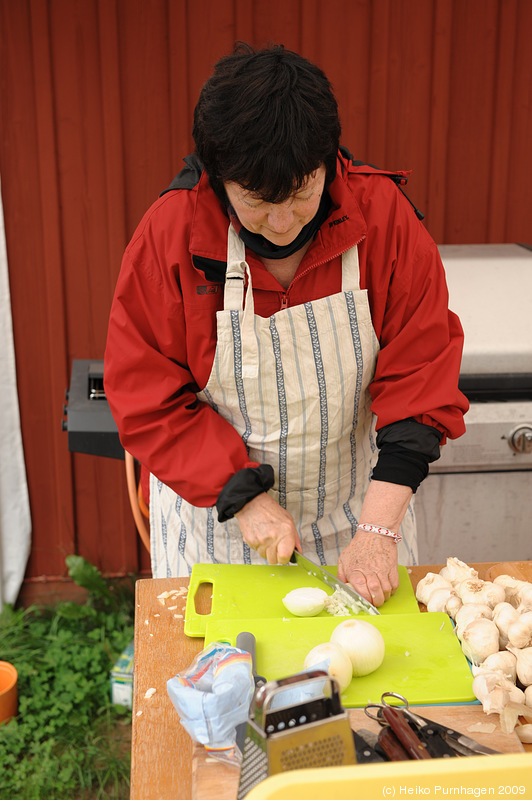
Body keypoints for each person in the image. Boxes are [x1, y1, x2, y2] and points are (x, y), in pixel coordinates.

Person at [104, 43, 468, 607]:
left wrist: (376, 530)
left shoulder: (384, 218)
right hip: (218, 528)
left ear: (329, 162)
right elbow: (146, 396)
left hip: (362, 520)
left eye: (300, 194)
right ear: (217, 178)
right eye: (256, 201)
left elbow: (422, 377)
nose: (280, 223)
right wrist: (242, 495)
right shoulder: (170, 235)